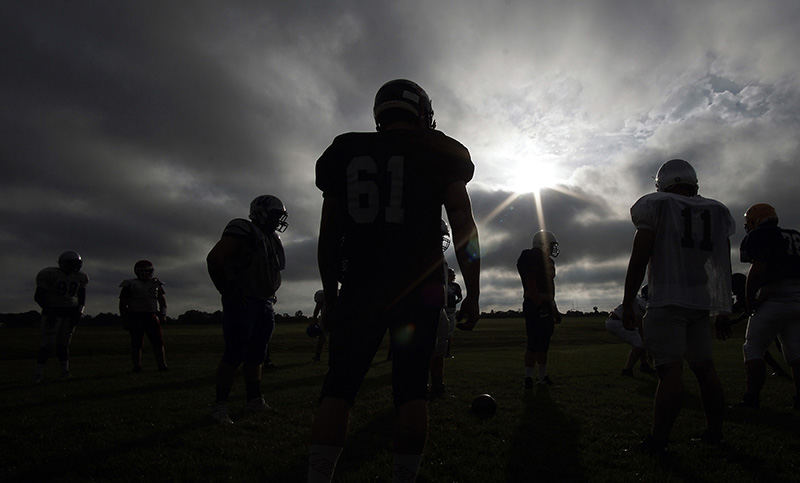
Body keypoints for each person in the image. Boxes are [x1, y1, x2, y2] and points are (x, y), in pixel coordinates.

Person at [308, 78, 481, 483]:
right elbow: (463, 226)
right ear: (422, 112)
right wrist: (472, 291)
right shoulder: (441, 151)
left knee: (339, 388)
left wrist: (331, 295)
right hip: (419, 288)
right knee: (411, 392)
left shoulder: (345, 151)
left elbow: (329, 235)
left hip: (361, 284)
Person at [622, 158, 734, 453]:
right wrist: (723, 307)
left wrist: (628, 301)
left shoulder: (656, 205)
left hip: (667, 299)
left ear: (662, 183)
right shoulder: (716, 211)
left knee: (669, 372)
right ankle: (714, 433)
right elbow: (722, 263)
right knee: (705, 369)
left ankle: (658, 440)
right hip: (700, 302)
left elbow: (640, 255)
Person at [206, 194, 288, 424]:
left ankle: (254, 400)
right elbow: (215, 258)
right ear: (260, 212)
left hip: (264, 301)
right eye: (275, 214)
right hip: (245, 301)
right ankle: (220, 406)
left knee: (257, 355)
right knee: (235, 354)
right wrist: (228, 291)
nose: (278, 220)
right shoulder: (243, 228)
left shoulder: (272, 237)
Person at [737, 203, 800, 409]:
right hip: (797, 299)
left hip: (772, 299)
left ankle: (752, 397)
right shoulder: (794, 235)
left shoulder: (760, 235)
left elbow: (758, 269)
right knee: (795, 352)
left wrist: (749, 299)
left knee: (753, 348)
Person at [33, 251, 89, 383]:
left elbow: (81, 297)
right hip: (53, 310)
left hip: (70, 312)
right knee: (48, 344)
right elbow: (38, 296)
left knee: (63, 344)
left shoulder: (81, 277)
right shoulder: (50, 274)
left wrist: (79, 312)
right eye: (71, 263)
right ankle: (38, 373)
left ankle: (65, 371)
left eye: (76, 264)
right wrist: (49, 310)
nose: (73, 267)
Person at [517, 230, 562, 388]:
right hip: (536, 304)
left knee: (543, 343)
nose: (552, 248)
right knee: (534, 342)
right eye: (550, 245)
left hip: (544, 304)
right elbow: (531, 281)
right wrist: (538, 303)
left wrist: (553, 309)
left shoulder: (546, 260)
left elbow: (549, 290)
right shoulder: (532, 256)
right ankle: (530, 377)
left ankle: (540, 377)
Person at [119, 260, 168, 372]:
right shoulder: (130, 284)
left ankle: (162, 365)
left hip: (151, 316)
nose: (146, 274)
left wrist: (163, 314)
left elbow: (162, 301)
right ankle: (137, 366)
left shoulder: (155, 283)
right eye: (143, 271)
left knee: (158, 342)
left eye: (148, 271)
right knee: (137, 343)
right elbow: (123, 304)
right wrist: (125, 318)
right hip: (136, 316)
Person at [605, 285, 655, 376]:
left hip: (617, 321)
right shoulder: (641, 304)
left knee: (640, 342)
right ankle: (627, 370)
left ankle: (644, 365)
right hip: (617, 322)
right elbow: (640, 325)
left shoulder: (638, 300)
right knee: (640, 344)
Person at [445, 266, 463, 358]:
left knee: (450, 333)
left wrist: (455, 301)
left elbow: (460, 297)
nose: (454, 276)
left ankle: (447, 353)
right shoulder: (442, 284)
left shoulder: (456, 286)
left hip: (451, 310)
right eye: (452, 274)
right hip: (442, 310)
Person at [310, 289, 327, 362]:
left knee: (322, 338)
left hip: (327, 317)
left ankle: (317, 356)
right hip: (331, 317)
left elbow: (317, 308)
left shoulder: (321, 294)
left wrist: (314, 318)